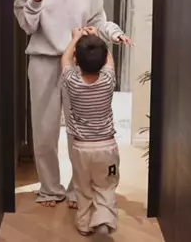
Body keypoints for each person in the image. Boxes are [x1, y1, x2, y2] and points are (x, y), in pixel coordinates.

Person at [14, 0, 132, 208]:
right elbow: (27, 26)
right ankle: (50, 188)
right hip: (44, 61)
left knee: (80, 130)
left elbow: (98, 21)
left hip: (77, 63)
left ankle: (78, 189)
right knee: (44, 130)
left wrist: (114, 33)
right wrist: (35, 2)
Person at [61, 27, 120, 236]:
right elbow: (109, 60)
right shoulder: (108, 80)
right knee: (106, 185)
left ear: (77, 60)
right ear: (103, 60)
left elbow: (64, 59)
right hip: (106, 147)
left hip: (81, 148)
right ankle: (103, 220)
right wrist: (98, 37)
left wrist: (76, 38)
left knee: (83, 187)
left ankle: (85, 224)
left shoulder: (71, 82)